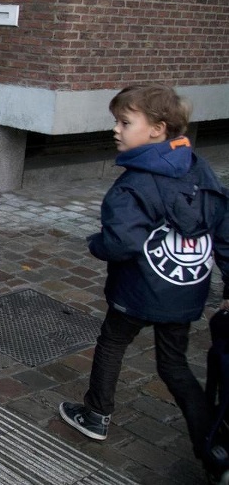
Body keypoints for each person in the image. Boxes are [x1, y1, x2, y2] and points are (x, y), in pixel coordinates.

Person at [58, 84, 229, 480]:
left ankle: (96, 414)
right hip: (185, 291)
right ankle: (213, 451)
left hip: (137, 290)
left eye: (124, 122)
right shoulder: (200, 168)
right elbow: (223, 227)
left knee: (113, 342)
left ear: (157, 129)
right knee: (174, 365)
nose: (115, 130)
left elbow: (120, 242)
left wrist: (96, 244)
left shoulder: (132, 184)